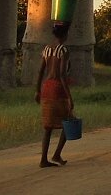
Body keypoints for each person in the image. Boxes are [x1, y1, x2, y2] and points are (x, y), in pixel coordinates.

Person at [35, 23, 73, 167]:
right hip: (58, 88)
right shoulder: (63, 50)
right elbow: (62, 75)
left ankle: (43, 159)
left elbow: (40, 71)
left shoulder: (46, 49)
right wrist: (69, 97)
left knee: (48, 126)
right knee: (68, 122)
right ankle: (57, 154)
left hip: (46, 87)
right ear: (65, 35)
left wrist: (37, 90)